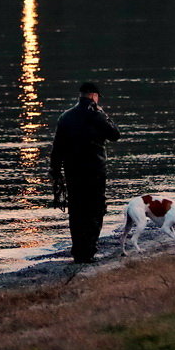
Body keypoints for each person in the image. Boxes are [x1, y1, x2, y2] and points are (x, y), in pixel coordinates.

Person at [49, 82, 121, 263]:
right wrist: (103, 114)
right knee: (95, 210)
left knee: (77, 211)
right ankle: (89, 250)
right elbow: (115, 135)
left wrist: (55, 170)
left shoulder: (65, 117)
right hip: (95, 171)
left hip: (73, 171)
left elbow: (57, 147)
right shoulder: (97, 115)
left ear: (80, 95)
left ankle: (78, 251)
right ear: (95, 96)